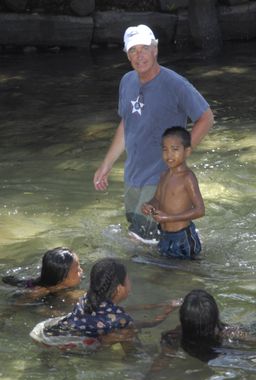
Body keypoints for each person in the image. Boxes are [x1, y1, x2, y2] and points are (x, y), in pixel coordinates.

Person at [93, 24, 214, 244]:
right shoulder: (127, 81)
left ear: (155, 49)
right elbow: (126, 124)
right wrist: (106, 164)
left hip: (159, 176)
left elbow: (206, 118)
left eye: (144, 48)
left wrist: (179, 158)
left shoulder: (175, 84)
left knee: (140, 240)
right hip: (132, 175)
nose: (139, 56)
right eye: (133, 50)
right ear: (127, 55)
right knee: (144, 236)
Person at [30, 258, 180, 351]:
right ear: (120, 288)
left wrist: (153, 306)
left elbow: (116, 313)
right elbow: (143, 324)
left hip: (43, 331)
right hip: (63, 344)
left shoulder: (88, 298)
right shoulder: (121, 319)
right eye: (128, 280)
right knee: (126, 340)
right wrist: (164, 315)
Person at [143, 289, 256, 380]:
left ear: (182, 317)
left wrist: (148, 378)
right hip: (224, 357)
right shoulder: (231, 333)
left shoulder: (172, 337)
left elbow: (162, 361)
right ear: (216, 314)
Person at [141, 126, 205, 259]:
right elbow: (157, 199)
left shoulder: (187, 177)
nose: (169, 155)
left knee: (187, 273)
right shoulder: (164, 175)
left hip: (183, 238)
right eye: (165, 149)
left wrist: (169, 218)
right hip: (165, 235)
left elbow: (200, 210)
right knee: (165, 271)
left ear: (187, 151)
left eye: (175, 149)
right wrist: (149, 205)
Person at [2, 247, 83, 300]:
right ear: (62, 279)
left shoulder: (60, 286)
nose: (82, 271)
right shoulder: (39, 292)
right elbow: (14, 308)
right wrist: (28, 298)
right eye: (77, 271)